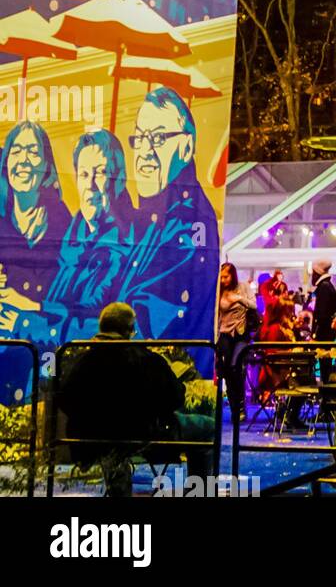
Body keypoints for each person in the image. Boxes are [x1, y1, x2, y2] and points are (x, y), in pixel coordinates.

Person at [58, 302, 214, 497]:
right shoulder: (145, 359)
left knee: (110, 440)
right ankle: (200, 493)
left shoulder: (78, 358)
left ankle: (118, 490)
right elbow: (174, 399)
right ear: (131, 330)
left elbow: (64, 400)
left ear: (101, 327)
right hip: (146, 436)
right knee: (208, 427)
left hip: (92, 440)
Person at [117, 87, 218, 345]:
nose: (145, 151)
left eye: (159, 138)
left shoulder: (188, 223)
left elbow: (144, 320)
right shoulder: (155, 218)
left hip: (166, 374)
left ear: (186, 148)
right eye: (140, 139)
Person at [44, 130, 138, 344]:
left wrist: (25, 319)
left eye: (101, 173)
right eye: (84, 175)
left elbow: (89, 326)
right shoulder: (71, 243)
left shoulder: (123, 250)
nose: (90, 185)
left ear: (120, 179)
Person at [0, 119, 68, 308]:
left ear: (47, 165)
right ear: (6, 163)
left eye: (33, 151)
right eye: (16, 151)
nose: (23, 160)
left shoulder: (65, 225)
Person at [214, 262, 257, 423]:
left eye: (226, 276)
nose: (223, 279)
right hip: (225, 334)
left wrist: (239, 299)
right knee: (226, 371)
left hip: (241, 334)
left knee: (235, 366)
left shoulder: (243, 287)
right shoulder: (219, 291)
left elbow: (254, 305)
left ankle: (239, 406)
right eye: (221, 276)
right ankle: (235, 407)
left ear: (233, 275)